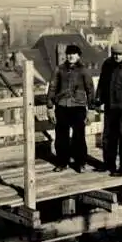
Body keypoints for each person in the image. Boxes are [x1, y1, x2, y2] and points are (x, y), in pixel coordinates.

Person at [46, 44, 95, 173]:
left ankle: (80, 163)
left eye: (73, 54)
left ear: (78, 56)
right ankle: (62, 162)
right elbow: (52, 88)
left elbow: (90, 91)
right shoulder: (59, 69)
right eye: (68, 53)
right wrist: (50, 108)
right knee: (61, 137)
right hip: (62, 107)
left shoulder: (84, 71)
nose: (70, 56)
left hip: (78, 108)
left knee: (79, 137)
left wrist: (91, 110)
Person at [94, 43, 122, 177]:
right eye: (114, 54)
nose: (116, 56)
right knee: (108, 137)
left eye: (119, 54)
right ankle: (109, 164)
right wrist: (98, 100)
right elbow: (102, 84)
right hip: (110, 108)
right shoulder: (107, 65)